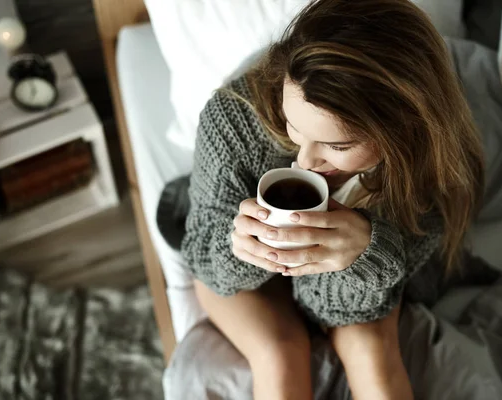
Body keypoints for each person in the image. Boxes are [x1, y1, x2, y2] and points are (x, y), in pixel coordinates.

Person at [181, 0, 485, 398]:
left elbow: (326, 309)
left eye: (335, 144)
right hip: (238, 275)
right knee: (280, 354)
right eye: (293, 126)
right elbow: (202, 252)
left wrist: (367, 255)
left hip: (351, 291)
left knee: (373, 352)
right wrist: (238, 247)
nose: (305, 160)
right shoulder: (234, 120)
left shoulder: (430, 168)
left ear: (402, 130)